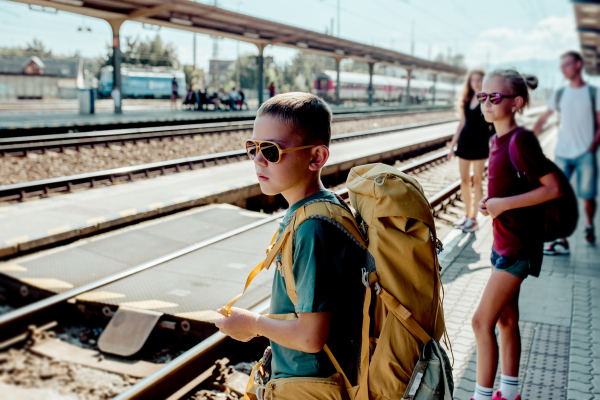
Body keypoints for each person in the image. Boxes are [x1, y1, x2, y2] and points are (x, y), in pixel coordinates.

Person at [215, 92, 364, 390]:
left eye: (271, 151)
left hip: (313, 386)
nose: (258, 159)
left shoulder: (313, 229)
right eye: (253, 147)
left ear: (316, 157)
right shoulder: (320, 207)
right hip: (308, 380)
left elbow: (311, 337)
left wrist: (253, 325)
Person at [472, 69, 562, 400]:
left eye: (495, 97)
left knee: (481, 323)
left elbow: (552, 188)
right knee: (507, 322)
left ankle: (481, 396)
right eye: (483, 96)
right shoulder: (496, 140)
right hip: (503, 243)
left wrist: (501, 204)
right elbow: (512, 189)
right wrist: (491, 204)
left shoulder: (520, 140)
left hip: (517, 248)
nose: (487, 102)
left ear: (516, 102)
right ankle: (508, 394)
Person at [534, 51, 600, 254]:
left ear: (579, 64)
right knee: (556, 197)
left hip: (585, 154)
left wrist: (591, 148)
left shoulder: (593, 92)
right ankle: (560, 239)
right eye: (561, 66)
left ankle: (588, 224)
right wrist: (526, 141)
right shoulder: (560, 93)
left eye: (567, 64)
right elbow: (543, 119)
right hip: (562, 153)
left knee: (587, 196)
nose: (564, 69)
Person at [449, 68, 496, 232]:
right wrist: (453, 145)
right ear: (470, 82)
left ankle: (474, 219)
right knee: (463, 180)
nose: (476, 82)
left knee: (477, 181)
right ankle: (467, 215)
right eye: (473, 79)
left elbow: (493, 122)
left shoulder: (487, 99)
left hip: (480, 144)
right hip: (465, 142)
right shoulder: (467, 99)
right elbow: (462, 123)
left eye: (479, 79)